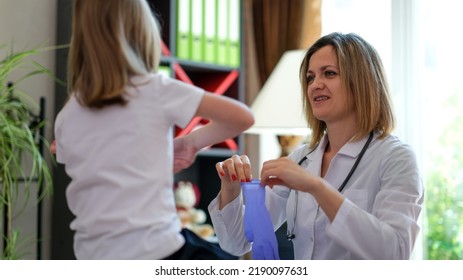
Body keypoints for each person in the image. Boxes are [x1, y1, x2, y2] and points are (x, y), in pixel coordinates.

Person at [53, 0, 254, 260]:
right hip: (156, 251)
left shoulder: (68, 114)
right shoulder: (154, 89)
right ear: (142, 33)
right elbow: (241, 117)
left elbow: (66, 153)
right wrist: (190, 143)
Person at [208, 32, 424, 260]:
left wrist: (316, 187)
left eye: (329, 73)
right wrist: (230, 190)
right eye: (310, 78)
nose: (315, 86)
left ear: (362, 82)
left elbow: (396, 252)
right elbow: (237, 242)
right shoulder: (301, 159)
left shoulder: (397, 158)